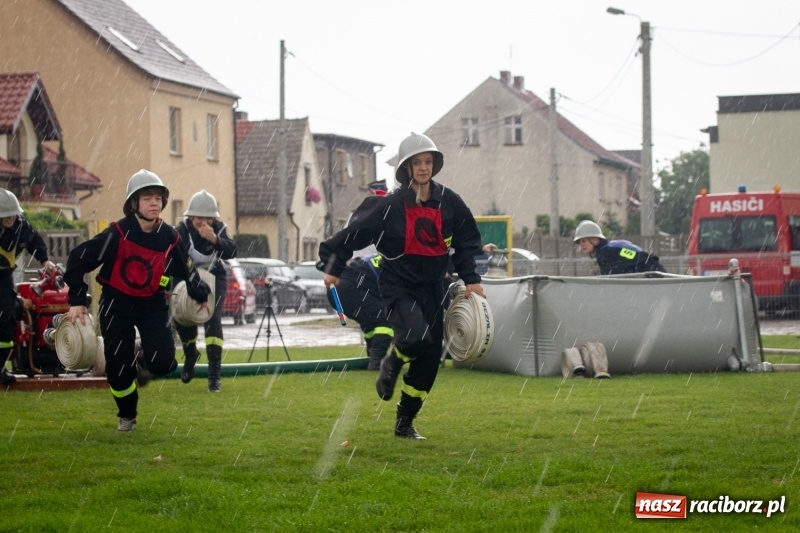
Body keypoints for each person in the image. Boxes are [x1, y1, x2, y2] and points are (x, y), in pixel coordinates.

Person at [318, 132, 485, 440]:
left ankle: (404, 422)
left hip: (433, 288)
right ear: (407, 168)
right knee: (414, 336)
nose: (423, 167)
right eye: (416, 162)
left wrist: (471, 279)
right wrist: (333, 266)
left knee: (429, 360)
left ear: (434, 164)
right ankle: (391, 363)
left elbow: (467, 242)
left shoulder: (450, 201)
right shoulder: (390, 205)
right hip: (398, 284)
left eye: (428, 161)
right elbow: (354, 233)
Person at [63, 170, 210, 431]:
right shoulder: (117, 233)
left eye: (158, 198)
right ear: (134, 204)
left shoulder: (170, 236)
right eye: (146, 198)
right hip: (115, 304)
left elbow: (187, 269)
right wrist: (77, 299)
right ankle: (127, 416)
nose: (154, 203)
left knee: (164, 362)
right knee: (118, 370)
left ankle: (141, 360)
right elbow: (77, 259)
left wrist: (200, 296)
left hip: (151, 304)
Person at [174, 190, 236, 392]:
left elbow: (232, 251)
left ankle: (214, 374)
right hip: (187, 274)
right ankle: (190, 353)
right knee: (183, 317)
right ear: (190, 217)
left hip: (214, 276)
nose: (203, 222)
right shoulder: (180, 230)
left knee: (212, 319)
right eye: (199, 218)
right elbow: (175, 256)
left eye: (207, 218)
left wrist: (215, 240)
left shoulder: (218, 229)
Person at [0, 189, 57, 384]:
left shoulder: (21, 226)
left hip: (3, 274)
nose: (10, 219)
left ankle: (0, 368)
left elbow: (35, 242)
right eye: (5, 216)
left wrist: (45, 261)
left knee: (7, 318)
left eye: (13, 214)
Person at [328, 253, 392, 370]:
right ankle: (376, 362)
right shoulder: (401, 264)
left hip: (335, 291)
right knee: (386, 319)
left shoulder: (388, 256)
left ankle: (373, 358)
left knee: (371, 323)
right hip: (350, 289)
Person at [574, 220, 666, 275]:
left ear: (594, 239)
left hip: (652, 273)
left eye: (583, 241)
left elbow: (612, 282)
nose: (581, 245)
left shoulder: (605, 254)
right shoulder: (610, 247)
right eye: (579, 242)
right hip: (654, 269)